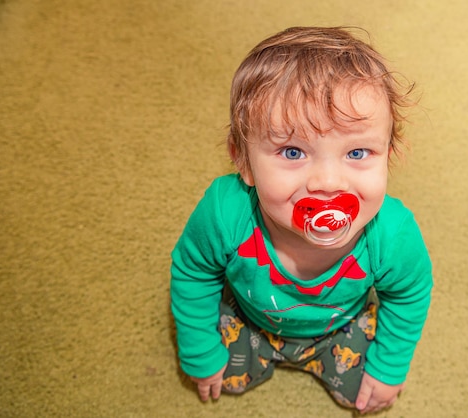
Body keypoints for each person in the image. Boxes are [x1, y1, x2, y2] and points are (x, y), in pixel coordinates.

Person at [170, 26, 433, 414]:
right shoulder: (225, 211)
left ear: (388, 154)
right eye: (292, 152)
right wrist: (199, 350)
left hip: (339, 328)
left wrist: (390, 367)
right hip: (249, 316)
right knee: (222, 374)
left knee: (366, 391)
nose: (328, 183)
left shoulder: (392, 233)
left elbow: (409, 295)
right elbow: (193, 272)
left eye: (358, 152)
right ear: (242, 160)